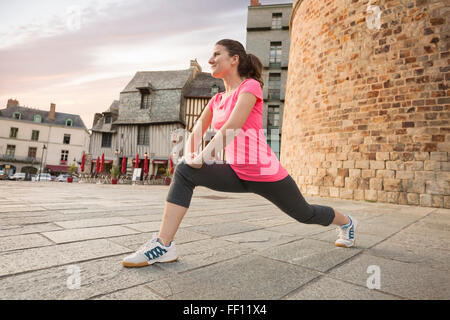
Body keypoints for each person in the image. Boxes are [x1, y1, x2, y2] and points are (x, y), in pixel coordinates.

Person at [122, 39, 357, 268]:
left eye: (216, 54)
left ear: (234, 59)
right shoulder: (216, 99)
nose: (210, 59)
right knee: (184, 171)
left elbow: (232, 127)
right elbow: (196, 130)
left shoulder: (250, 86)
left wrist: (201, 157)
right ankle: (164, 246)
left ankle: (347, 222)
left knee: (305, 214)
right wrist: (190, 155)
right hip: (236, 172)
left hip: (266, 174)